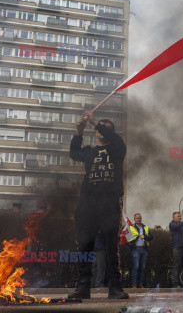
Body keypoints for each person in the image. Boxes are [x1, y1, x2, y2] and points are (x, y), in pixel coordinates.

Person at [68, 110, 128, 299]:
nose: (102, 129)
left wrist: (95, 122)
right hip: (88, 201)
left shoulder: (117, 149)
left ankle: (115, 287)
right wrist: (79, 131)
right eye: (99, 127)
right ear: (95, 134)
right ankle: (83, 286)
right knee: (85, 244)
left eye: (106, 127)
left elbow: (115, 138)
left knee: (112, 244)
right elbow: (73, 153)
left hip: (109, 201)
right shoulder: (90, 152)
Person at [129, 213, 153, 288]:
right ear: (134, 219)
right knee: (136, 267)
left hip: (144, 249)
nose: (138, 219)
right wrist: (131, 245)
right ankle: (134, 284)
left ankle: (140, 284)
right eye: (137, 218)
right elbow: (127, 238)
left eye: (139, 218)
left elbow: (151, 237)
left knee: (142, 268)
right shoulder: (131, 227)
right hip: (136, 249)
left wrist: (145, 237)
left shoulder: (145, 227)